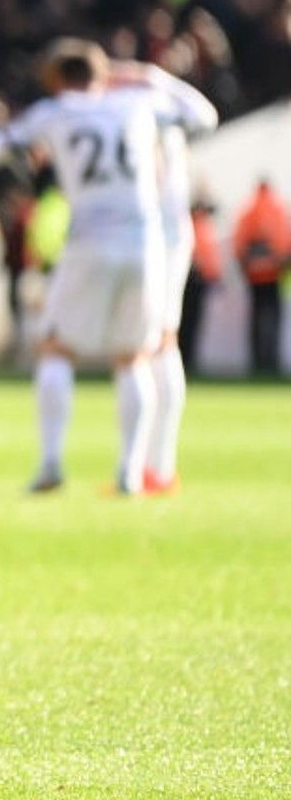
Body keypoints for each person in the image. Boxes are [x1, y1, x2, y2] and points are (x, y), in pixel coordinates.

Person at [0, 40, 216, 495]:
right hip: (144, 245)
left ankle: (50, 463)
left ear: (60, 79)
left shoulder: (56, 111)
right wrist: (150, 75)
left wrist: (24, 146)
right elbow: (204, 115)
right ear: (104, 74)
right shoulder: (137, 104)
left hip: (89, 240)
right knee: (135, 356)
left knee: (56, 349)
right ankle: (130, 471)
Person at [140, 80, 219, 493]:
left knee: (157, 344)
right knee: (158, 344)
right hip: (166, 237)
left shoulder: (149, 119)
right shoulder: (167, 123)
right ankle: (155, 467)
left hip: (161, 239)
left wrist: (151, 74)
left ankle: (156, 468)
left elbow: (207, 115)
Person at [231, 178, 290, 376]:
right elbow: (285, 244)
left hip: (254, 276)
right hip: (274, 275)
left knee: (256, 320)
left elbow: (239, 244)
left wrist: (246, 266)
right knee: (273, 319)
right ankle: (270, 361)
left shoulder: (248, 210)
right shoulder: (278, 209)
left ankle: (257, 361)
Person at [178, 198, 221, 372]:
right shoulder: (195, 226)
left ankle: (188, 359)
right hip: (192, 278)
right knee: (186, 322)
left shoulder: (201, 226)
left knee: (191, 323)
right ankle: (185, 359)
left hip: (199, 278)